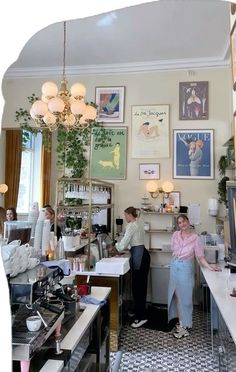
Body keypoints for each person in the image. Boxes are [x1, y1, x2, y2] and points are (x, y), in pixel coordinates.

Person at [168, 214, 221, 339]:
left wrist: (210, 267)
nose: (182, 224)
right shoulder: (175, 235)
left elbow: (200, 257)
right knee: (176, 296)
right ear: (178, 225)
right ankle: (182, 323)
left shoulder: (196, 238)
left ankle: (185, 326)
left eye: (184, 221)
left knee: (184, 298)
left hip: (185, 268)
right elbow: (173, 250)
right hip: (174, 266)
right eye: (179, 222)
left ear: (188, 221)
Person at [113, 206, 150, 328]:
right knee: (140, 285)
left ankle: (141, 317)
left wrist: (115, 245)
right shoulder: (139, 222)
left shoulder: (131, 226)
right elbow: (134, 241)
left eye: (125, 215)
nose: (125, 218)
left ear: (130, 215)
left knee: (138, 287)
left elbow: (123, 244)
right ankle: (137, 310)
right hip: (143, 254)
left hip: (139, 257)